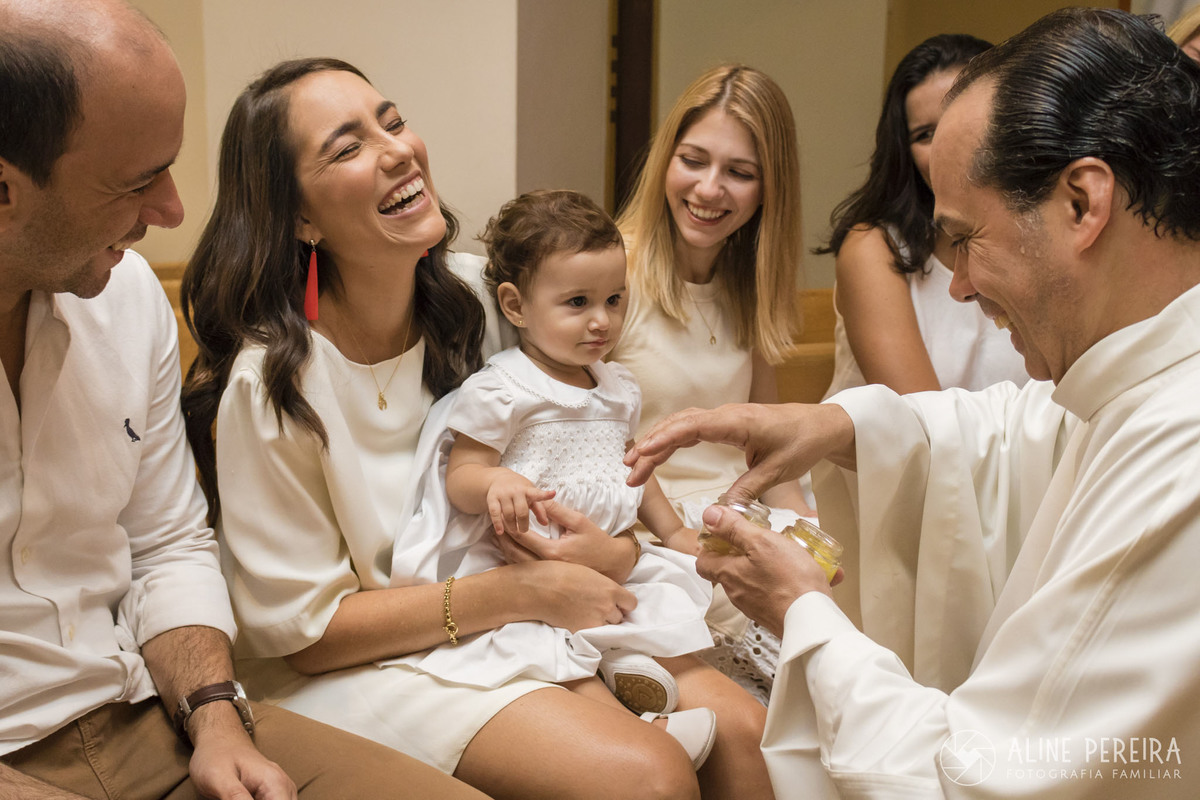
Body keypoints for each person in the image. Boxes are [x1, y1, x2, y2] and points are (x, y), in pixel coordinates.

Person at [625, 8, 1200, 797]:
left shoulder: (1179, 466)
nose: (957, 283)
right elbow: (1019, 433)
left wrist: (803, 612)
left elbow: (983, 778)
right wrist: (837, 423)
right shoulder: (1144, 372)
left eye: (966, 239)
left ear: (1082, 204)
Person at [181, 58, 772, 800]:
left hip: (522, 614)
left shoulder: (482, 300)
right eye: (348, 146)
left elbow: (588, 442)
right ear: (300, 217)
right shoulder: (274, 385)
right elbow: (309, 636)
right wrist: (529, 592)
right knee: (647, 779)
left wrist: (613, 552)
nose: (397, 149)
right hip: (363, 666)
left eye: (391, 122)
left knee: (745, 730)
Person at [0, 2, 488, 798]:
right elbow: (306, 627)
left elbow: (167, 545)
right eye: (135, 182)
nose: (174, 211)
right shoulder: (277, 378)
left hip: (144, 710)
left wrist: (217, 719)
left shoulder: (126, 300)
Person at [391, 189, 718, 764]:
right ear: (515, 306)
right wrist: (496, 485)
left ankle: (629, 672)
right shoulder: (505, 388)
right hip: (520, 559)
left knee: (641, 610)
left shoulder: (617, 387)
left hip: (600, 553)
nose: (602, 320)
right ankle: (639, 729)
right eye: (577, 302)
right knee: (544, 650)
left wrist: (671, 533)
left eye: (615, 299)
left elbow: (633, 470)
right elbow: (460, 474)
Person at [609, 63, 810, 703]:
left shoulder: (748, 286)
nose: (709, 189)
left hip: (737, 518)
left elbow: (772, 443)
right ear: (666, 158)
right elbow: (584, 437)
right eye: (693, 160)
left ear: (767, 190)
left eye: (739, 173)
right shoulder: (611, 272)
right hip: (650, 533)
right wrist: (680, 537)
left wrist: (807, 537)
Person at [817, 34, 1029, 398]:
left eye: (958, 121)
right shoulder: (872, 248)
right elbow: (923, 424)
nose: (945, 149)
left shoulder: (1041, 239)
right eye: (925, 134)